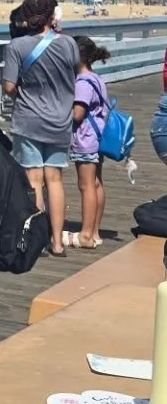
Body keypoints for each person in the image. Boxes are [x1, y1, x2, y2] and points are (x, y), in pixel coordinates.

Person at [2, 0, 79, 258]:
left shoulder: (17, 47)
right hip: (60, 120)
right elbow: (72, 75)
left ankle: (39, 241)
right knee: (54, 179)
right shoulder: (69, 43)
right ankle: (58, 242)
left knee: (34, 181)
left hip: (29, 119)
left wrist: (25, 92)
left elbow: (9, 86)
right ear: (52, 15)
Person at [68, 36, 113, 249]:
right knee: (96, 183)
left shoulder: (82, 82)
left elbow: (78, 114)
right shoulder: (96, 78)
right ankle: (95, 232)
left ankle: (86, 233)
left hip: (85, 138)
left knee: (85, 186)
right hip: (98, 136)